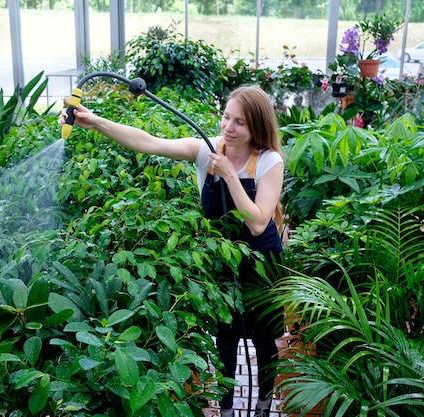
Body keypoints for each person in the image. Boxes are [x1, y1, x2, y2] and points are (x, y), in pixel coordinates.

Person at [62, 84, 285, 417]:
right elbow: (149, 142)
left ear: (257, 126)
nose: (228, 127)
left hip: (263, 261)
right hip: (222, 258)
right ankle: (226, 409)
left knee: (264, 341)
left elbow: (257, 222)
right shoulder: (205, 149)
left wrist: (229, 175)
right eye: (226, 117)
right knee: (225, 339)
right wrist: (94, 122)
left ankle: (264, 405)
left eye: (239, 122)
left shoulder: (269, 161)